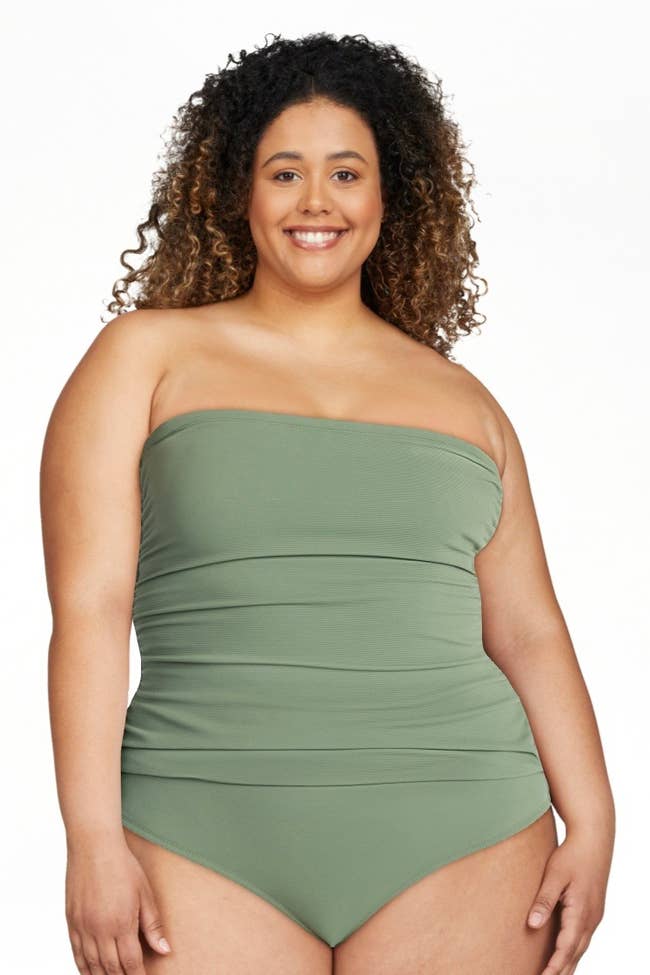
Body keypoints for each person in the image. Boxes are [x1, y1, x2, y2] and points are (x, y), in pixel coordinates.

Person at [41, 31, 615, 975]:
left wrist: (594, 819)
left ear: (391, 196)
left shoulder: (464, 402)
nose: (317, 201)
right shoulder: (143, 358)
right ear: (238, 192)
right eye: (285, 173)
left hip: (465, 827)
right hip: (199, 819)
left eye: (347, 173)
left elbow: (530, 630)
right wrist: (91, 838)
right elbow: (90, 608)